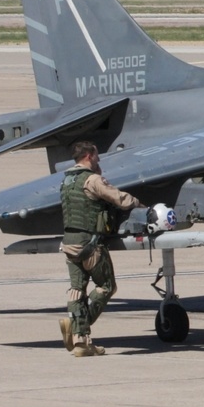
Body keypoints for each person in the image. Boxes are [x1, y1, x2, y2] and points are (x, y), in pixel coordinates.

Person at [59, 141, 141, 357]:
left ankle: (81, 344)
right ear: (88, 156)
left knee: (77, 289)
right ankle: (77, 325)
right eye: (96, 156)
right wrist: (138, 204)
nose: (99, 159)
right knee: (106, 286)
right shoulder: (92, 180)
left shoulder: (67, 180)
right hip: (90, 244)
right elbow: (118, 198)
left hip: (69, 243)